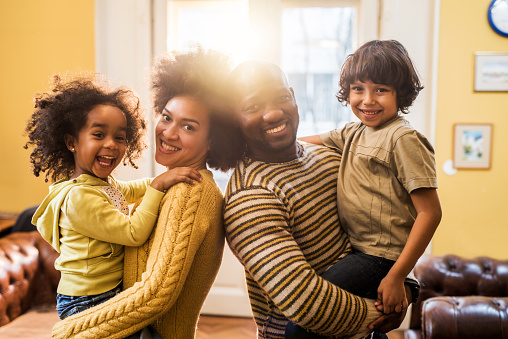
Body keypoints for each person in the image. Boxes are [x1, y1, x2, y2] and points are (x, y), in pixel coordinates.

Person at [48, 47, 243, 339]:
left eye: (188, 126)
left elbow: (155, 294)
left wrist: (67, 332)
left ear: (214, 141)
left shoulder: (190, 193)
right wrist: (160, 182)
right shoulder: (176, 182)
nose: (169, 132)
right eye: (166, 117)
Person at [223, 60, 419, 339]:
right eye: (253, 107)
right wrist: (388, 309)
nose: (273, 113)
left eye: (281, 97)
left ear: (293, 96)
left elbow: (387, 226)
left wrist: (404, 283)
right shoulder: (250, 197)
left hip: (368, 331)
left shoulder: (331, 158)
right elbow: (308, 305)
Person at [25, 73, 201, 336]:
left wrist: (167, 176)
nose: (111, 144)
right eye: (98, 134)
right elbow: (133, 233)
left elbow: (130, 190)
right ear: (71, 142)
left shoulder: (101, 184)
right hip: (86, 301)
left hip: (104, 293)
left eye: (120, 137)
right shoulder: (79, 198)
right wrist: (158, 186)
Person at [287, 40, 442, 337]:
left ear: (401, 93)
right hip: (355, 251)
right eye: (358, 89)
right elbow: (301, 143)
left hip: (379, 258)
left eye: (381, 90)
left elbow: (430, 213)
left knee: (305, 318)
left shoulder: (402, 138)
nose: (368, 100)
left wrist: (397, 276)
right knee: (362, 326)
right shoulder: (353, 132)